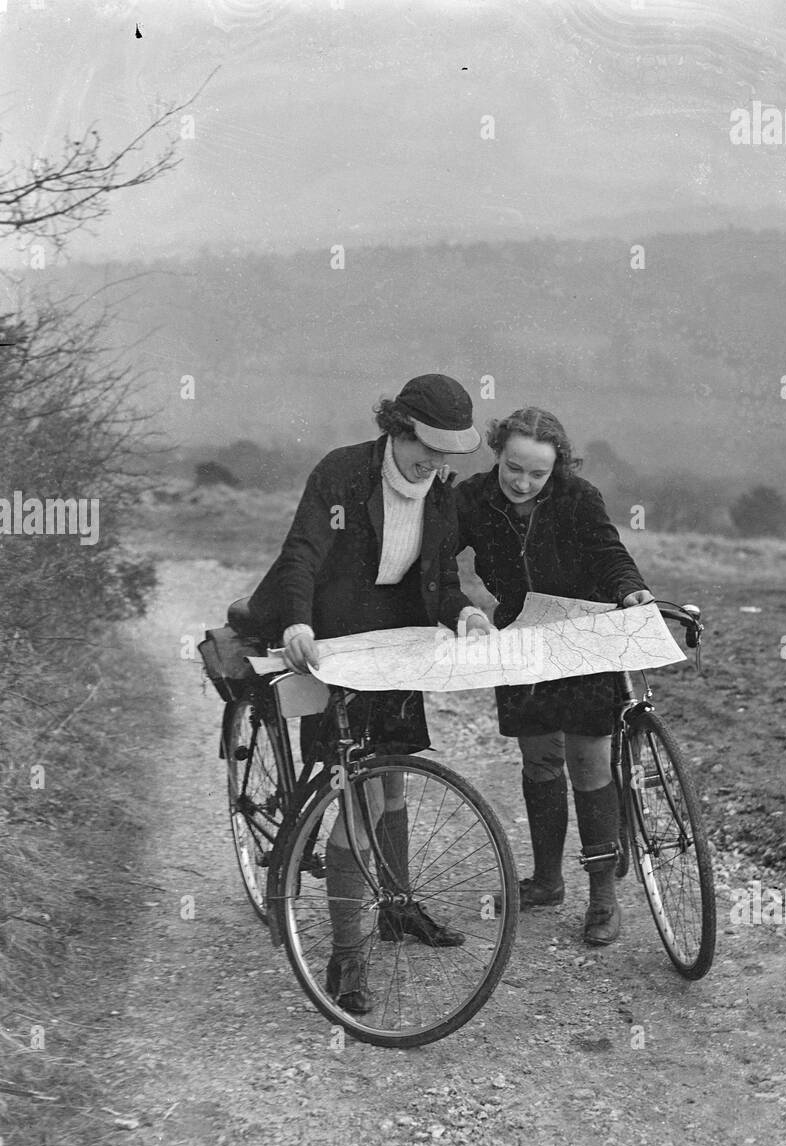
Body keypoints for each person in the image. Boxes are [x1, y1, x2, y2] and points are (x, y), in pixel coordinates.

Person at [233, 374, 493, 1012]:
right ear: (397, 427)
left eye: (445, 454)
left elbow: (437, 578)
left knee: (395, 781)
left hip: (395, 644)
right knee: (357, 791)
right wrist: (296, 619)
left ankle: (400, 906)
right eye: (424, 448)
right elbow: (301, 552)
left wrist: (463, 613)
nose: (433, 463)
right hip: (330, 637)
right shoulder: (343, 474)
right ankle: (347, 956)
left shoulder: (441, 497)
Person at [454, 407, 655, 946]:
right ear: (497, 453)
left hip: (584, 636)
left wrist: (630, 589)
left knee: (589, 765)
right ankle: (546, 881)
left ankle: (602, 898)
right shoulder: (471, 499)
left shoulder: (579, 498)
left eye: (536, 474)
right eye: (513, 468)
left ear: (556, 468)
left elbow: (610, 555)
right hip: (520, 637)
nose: (522, 482)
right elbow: (435, 560)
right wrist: (459, 608)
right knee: (539, 759)